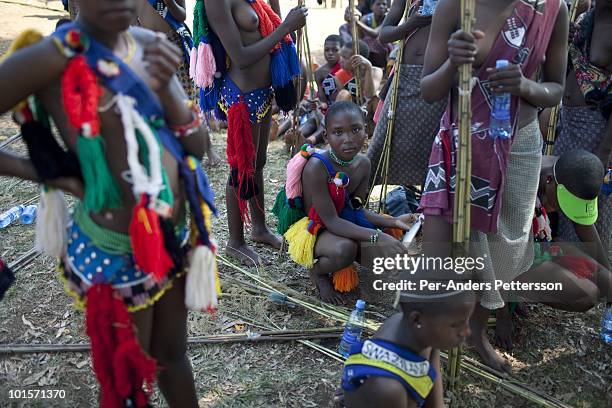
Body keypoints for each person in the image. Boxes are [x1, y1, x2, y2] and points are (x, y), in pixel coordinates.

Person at [0, 0, 219, 405]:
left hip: (174, 235)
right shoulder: (52, 57)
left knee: (172, 355)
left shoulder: (147, 43)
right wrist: (52, 174)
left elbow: (196, 146)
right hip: (116, 252)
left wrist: (167, 90)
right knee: (128, 378)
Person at [419, 0, 568, 373]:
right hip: (460, 146)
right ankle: (426, 360)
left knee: (501, 253)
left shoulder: (552, 9)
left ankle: (474, 330)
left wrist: (526, 85)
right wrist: (453, 62)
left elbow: (556, 88)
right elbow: (427, 90)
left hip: (519, 147)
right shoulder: (457, 5)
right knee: (442, 260)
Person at [199, 0, 307, 265]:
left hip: (261, 93)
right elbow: (241, 58)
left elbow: (278, 29)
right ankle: (235, 243)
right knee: (240, 170)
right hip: (240, 96)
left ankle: (258, 229)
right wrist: (287, 28)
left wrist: (289, 24)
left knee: (258, 163)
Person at [273, 102, 413, 304]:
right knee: (344, 250)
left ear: (366, 130)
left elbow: (354, 210)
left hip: (340, 221)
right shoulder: (317, 167)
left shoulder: (363, 163)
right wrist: (376, 235)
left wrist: (392, 223)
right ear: (326, 137)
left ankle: (348, 258)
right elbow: (331, 221)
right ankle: (318, 273)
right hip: (316, 227)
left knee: (386, 260)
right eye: (338, 132)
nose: (348, 139)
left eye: (355, 129)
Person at [495, 150, 612, 350]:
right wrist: (503, 316)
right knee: (586, 294)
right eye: (565, 205)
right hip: (508, 258)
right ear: (549, 181)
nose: (567, 213)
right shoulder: (517, 189)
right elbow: (499, 256)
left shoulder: (569, 173)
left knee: (607, 281)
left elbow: (585, 227)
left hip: (540, 243)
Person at [342, 285, 475, 408]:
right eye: (456, 324)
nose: (467, 332)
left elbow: (432, 388)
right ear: (417, 320)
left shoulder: (423, 335)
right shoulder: (388, 389)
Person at [552, 1, 611, 254]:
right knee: (561, 200)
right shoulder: (587, 19)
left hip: (596, 133)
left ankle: (594, 279)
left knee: (587, 210)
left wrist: (604, 151)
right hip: (569, 126)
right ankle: (572, 274)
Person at [367, 0, 445, 190]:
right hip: (406, 78)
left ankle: (427, 202)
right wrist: (412, 23)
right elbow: (384, 35)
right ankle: (359, 202)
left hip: (440, 78)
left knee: (432, 147)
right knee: (381, 145)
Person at [136, 0, 221, 166]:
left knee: (188, 101)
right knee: (158, 101)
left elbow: (182, 15)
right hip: (149, 46)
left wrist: (170, 3)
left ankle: (208, 147)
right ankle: (170, 148)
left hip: (174, 44)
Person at [353, 0, 393, 68]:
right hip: (370, 51)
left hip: (386, 48)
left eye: (384, 4)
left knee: (380, 41)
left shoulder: (388, 18)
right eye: (378, 4)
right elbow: (360, 37)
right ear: (371, 7)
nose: (381, 6)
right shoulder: (366, 19)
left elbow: (375, 33)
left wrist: (357, 22)